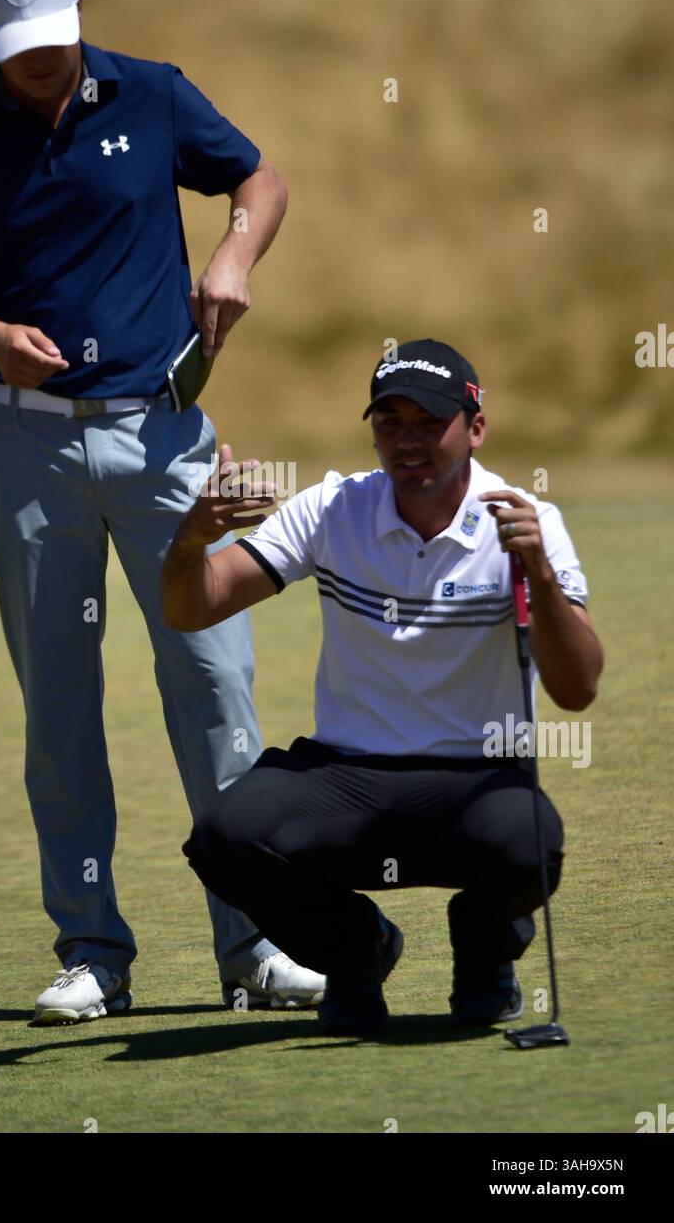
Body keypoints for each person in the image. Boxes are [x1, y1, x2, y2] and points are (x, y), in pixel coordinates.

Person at [0, 0, 326, 1022]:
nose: (40, 64)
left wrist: (231, 252)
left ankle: (255, 943)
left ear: (80, 10)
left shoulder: (154, 94)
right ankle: (92, 950)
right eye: (15, 47)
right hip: (26, 445)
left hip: (166, 443)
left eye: (53, 40)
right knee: (60, 705)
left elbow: (259, 178)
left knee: (216, 687)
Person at [162, 338, 604, 1035]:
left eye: (429, 422)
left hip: (474, 775)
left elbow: (576, 689)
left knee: (528, 842)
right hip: (346, 773)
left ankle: (484, 954)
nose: (408, 441)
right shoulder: (332, 509)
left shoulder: (526, 524)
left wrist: (539, 575)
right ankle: (356, 950)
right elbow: (193, 607)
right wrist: (191, 541)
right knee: (226, 837)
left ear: (474, 427)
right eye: (388, 422)